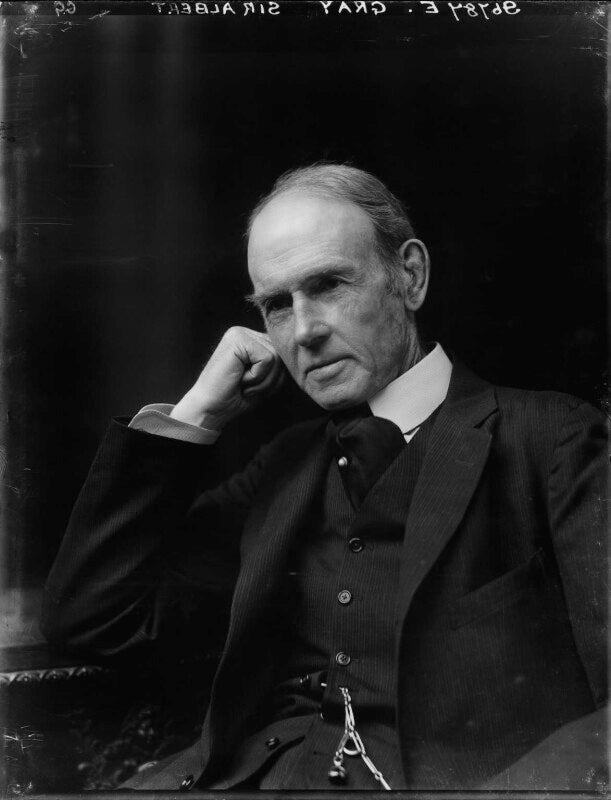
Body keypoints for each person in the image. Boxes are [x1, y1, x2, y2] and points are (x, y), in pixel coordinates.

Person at [41, 164, 608, 791]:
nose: (305, 331)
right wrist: (197, 414)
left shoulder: (551, 439)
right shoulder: (286, 466)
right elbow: (91, 618)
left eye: (329, 285)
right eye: (276, 306)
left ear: (410, 276)